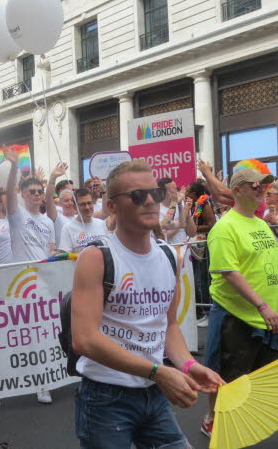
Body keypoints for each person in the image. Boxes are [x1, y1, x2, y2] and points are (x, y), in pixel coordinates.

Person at [71, 159, 223, 448]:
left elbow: (168, 326)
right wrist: (158, 371)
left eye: (154, 192)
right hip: (106, 396)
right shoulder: (96, 257)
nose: (151, 200)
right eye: (138, 195)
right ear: (113, 205)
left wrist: (189, 365)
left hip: (154, 392)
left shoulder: (169, 255)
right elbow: (85, 339)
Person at [200, 168, 278, 437]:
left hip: (266, 316)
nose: (262, 190)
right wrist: (262, 305)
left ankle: (247, 421)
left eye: (265, 186)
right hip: (237, 315)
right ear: (237, 190)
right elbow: (230, 272)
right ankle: (213, 420)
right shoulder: (225, 227)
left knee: (260, 375)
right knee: (226, 376)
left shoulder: (261, 224)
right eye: (255, 185)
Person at [4, 146, 55, 404]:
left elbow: (50, 250)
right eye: (31, 192)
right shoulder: (17, 215)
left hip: (44, 282)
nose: (36, 195)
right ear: (23, 195)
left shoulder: (48, 221)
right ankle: (22, 374)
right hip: (20, 283)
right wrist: (14, 166)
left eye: (39, 192)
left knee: (42, 332)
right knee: (23, 334)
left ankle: (43, 381)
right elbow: (8, 193)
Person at [186, 181, 216, 321]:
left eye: (188, 190)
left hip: (204, 246)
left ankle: (208, 313)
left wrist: (194, 228)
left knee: (203, 279)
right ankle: (203, 312)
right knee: (197, 278)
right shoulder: (193, 205)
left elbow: (212, 225)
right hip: (195, 245)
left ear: (194, 193)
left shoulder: (204, 205)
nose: (186, 192)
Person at [157, 178, 196, 244]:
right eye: (174, 189)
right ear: (165, 192)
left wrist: (187, 213)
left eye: (176, 188)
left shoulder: (182, 204)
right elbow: (163, 236)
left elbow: (192, 233)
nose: (177, 191)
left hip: (185, 251)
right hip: (169, 252)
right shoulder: (157, 209)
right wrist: (185, 211)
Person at [46, 163, 77, 246]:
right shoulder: (57, 217)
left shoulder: (80, 216)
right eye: (66, 201)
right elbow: (48, 199)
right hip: (64, 257)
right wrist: (53, 177)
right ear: (59, 202)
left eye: (72, 200)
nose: (70, 203)